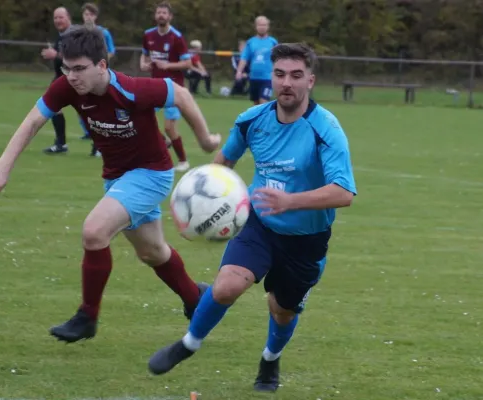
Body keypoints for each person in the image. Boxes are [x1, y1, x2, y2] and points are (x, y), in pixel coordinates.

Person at [0, 27, 221, 344]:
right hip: (116, 178)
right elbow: (33, 121)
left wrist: (205, 140)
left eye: (79, 68)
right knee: (152, 252)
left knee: (94, 231)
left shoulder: (131, 89)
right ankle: (196, 300)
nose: (72, 76)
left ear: (102, 66)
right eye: (67, 68)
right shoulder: (67, 87)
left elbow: (180, 94)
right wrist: (2, 166)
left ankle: (87, 316)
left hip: (151, 173)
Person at [147, 43, 357, 393]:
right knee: (228, 285)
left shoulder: (325, 129)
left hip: (306, 238)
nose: (286, 83)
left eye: (296, 75)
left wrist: (290, 201)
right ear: (271, 78)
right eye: (279, 75)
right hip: (258, 223)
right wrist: (194, 211)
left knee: (282, 311)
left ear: (311, 81)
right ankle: (188, 344)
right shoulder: (251, 121)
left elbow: (343, 193)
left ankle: (270, 360)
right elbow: (222, 164)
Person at [141, 1, 192, 172]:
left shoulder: (176, 37)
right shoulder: (148, 34)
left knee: (169, 127)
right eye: (159, 13)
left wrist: (167, 66)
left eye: (164, 13)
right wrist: (144, 64)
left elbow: (187, 63)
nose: (161, 15)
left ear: (170, 17)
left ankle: (183, 160)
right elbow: (145, 55)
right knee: (141, 119)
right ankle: (163, 143)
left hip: (173, 89)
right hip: (154, 86)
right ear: (155, 16)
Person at [80, 2, 117, 157]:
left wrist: (99, 61)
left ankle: (100, 145)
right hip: (83, 75)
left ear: (95, 16)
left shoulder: (103, 32)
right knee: (83, 108)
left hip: (99, 74)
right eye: (85, 14)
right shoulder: (79, 32)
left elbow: (111, 51)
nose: (88, 17)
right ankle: (94, 139)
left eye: (91, 14)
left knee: (99, 107)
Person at [40, 7, 72, 154]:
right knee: (53, 108)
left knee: (88, 111)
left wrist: (56, 55)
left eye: (61, 17)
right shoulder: (60, 36)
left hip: (73, 77)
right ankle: (61, 144)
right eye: (55, 18)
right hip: (60, 77)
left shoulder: (73, 35)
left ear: (68, 18)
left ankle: (99, 147)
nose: (58, 20)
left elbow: (75, 58)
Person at [234, 16, 278, 105]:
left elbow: (279, 58)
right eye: (260, 25)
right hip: (254, 78)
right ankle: (258, 119)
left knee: (263, 102)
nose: (262, 27)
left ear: (268, 27)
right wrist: (239, 71)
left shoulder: (273, 42)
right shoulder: (251, 42)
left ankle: (266, 119)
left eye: (264, 25)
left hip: (267, 78)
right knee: (256, 105)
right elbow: (244, 58)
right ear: (256, 26)